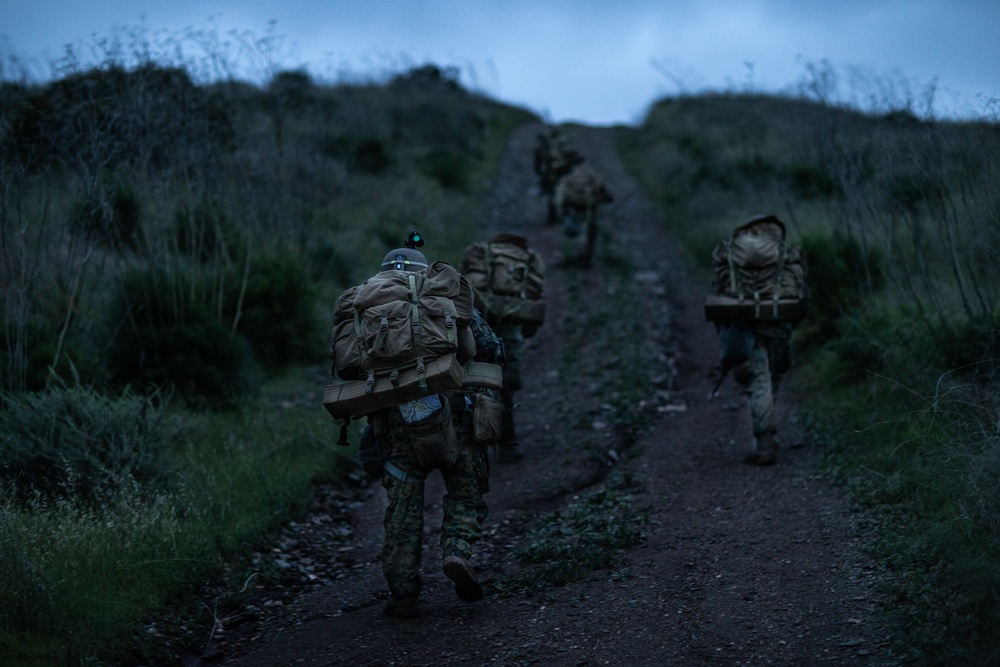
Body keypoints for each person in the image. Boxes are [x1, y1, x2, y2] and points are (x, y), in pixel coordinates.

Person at [342, 238, 492, 618]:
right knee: (465, 490)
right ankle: (456, 552)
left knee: (403, 508)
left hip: (395, 426)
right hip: (455, 413)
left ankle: (404, 593)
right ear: (422, 271)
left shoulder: (366, 304)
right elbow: (488, 347)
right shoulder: (441, 296)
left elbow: (346, 366)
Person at [708, 214, 808, 466]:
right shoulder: (783, 252)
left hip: (744, 326)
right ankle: (767, 438)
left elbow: (719, 290)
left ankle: (765, 445)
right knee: (771, 377)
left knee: (758, 380)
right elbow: (802, 297)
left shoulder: (733, 252)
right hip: (778, 325)